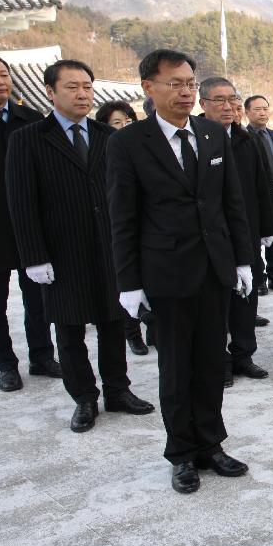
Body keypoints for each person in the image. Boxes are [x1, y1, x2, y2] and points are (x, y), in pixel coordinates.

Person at [107, 49, 255, 494]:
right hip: (165, 274)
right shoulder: (128, 143)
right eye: (175, 83)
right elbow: (123, 218)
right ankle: (181, 453)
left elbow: (232, 203)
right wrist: (128, 282)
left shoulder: (213, 134)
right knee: (176, 368)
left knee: (212, 363)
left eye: (190, 83)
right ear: (148, 88)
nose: (186, 91)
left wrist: (243, 260)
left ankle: (211, 443)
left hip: (214, 270)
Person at [5, 60, 155, 432]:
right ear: (51, 92)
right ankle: (84, 397)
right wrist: (34, 257)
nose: (82, 93)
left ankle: (118, 391)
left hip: (109, 247)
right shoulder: (28, 139)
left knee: (113, 322)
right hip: (60, 251)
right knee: (69, 329)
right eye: (72, 87)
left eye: (87, 86)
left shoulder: (110, 136)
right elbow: (21, 202)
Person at [0, 52, 59, 392]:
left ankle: (42, 356)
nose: (0, 81)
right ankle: (6, 365)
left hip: (29, 226)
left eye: (4, 74)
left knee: (38, 299)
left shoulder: (30, 119)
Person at [198, 78, 273, 384]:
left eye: (232, 100)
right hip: (210, 235)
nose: (228, 106)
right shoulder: (195, 139)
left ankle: (244, 354)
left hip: (246, 232)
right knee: (216, 302)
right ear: (202, 104)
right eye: (219, 100)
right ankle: (220, 361)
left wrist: (268, 227)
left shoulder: (247, 140)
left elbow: (262, 187)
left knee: (246, 298)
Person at [96, 101, 152, 356]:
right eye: (116, 123)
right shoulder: (103, 148)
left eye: (128, 122)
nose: (123, 127)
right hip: (114, 225)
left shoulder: (142, 147)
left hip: (145, 226)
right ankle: (132, 332)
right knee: (127, 283)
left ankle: (152, 326)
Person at [244, 94, 273, 294]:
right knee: (256, 238)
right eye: (257, 109)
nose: (262, 113)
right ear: (246, 112)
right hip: (257, 197)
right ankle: (259, 278)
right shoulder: (243, 138)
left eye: (265, 109)